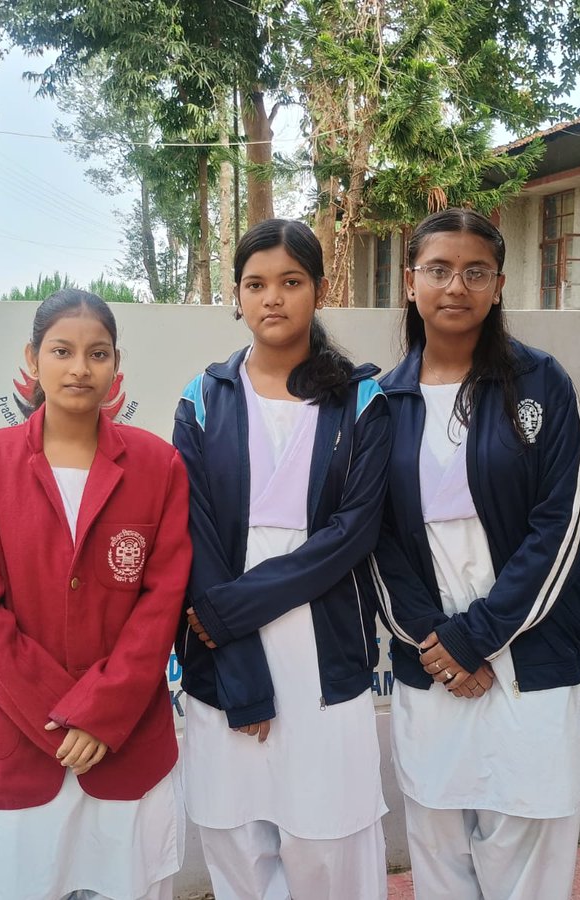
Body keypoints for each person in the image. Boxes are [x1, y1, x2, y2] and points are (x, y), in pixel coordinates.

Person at [373, 209, 580, 900]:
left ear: (498, 285)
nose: (455, 287)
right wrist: (437, 642)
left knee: (526, 854)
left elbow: (560, 529)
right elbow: (373, 541)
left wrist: (479, 639)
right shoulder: (382, 400)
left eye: (475, 272)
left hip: (526, 662)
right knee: (440, 854)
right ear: (411, 282)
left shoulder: (541, 383)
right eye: (438, 270)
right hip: (432, 665)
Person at [0, 289, 192, 900]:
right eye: (62, 350)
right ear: (32, 358)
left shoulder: (159, 467)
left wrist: (103, 716)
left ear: (115, 368)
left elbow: (160, 604)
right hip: (23, 744)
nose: (79, 367)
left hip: (128, 742)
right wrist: (66, 722)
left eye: (96, 353)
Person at [174, 219, 391, 900]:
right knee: (237, 846)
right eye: (256, 284)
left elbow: (352, 534)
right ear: (236, 296)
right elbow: (196, 539)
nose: (273, 298)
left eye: (291, 282)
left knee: (331, 847)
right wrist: (240, 675)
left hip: (324, 650)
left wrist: (232, 608)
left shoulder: (362, 401)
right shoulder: (203, 400)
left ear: (319, 291)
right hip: (226, 654)